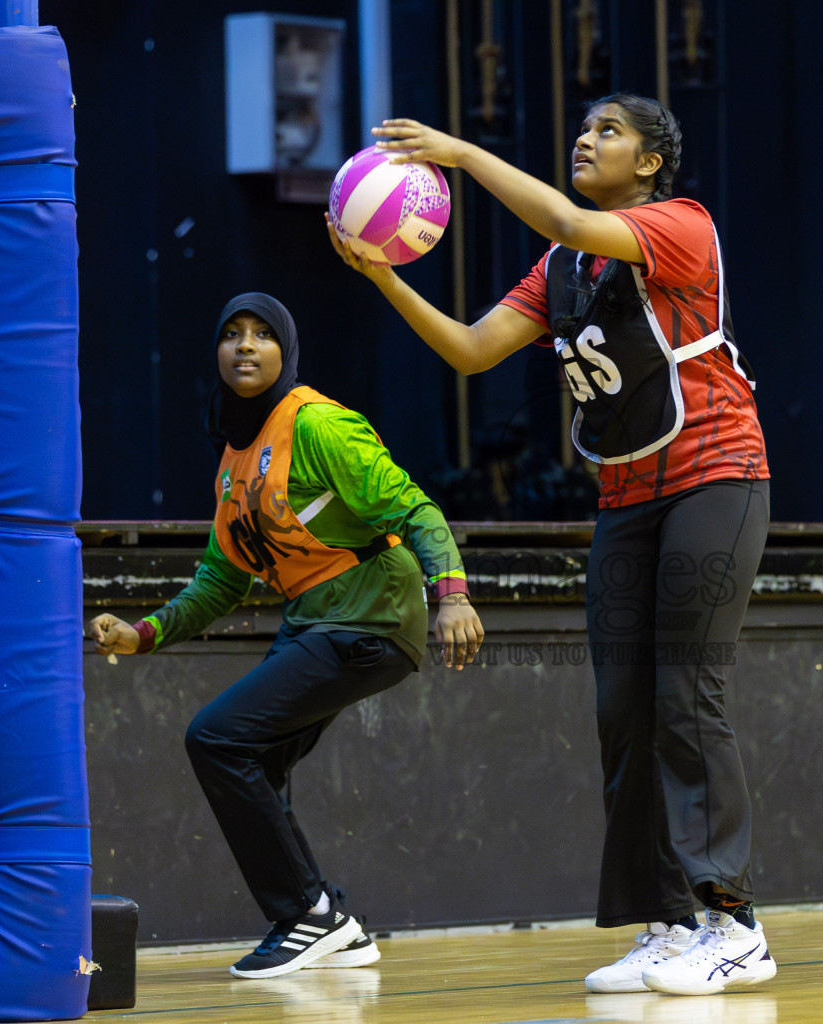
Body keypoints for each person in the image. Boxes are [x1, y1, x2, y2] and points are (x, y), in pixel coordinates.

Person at [328, 93, 774, 997]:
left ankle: (734, 921)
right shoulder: (562, 267)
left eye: (609, 131)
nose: (585, 137)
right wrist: (381, 274)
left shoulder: (680, 226)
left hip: (718, 477)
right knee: (624, 711)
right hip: (627, 496)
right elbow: (469, 349)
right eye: (582, 126)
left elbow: (568, 212)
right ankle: (668, 921)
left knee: (689, 692)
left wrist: (459, 152)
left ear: (650, 164)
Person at [86, 292, 484, 979]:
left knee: (215, 737)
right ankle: (329, 926)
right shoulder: (234, 464)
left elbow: (414, 506)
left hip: (370, 614)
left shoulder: (318, 423)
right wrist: (141, 634)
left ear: (285, 351)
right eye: (232, 333)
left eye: (263, 334)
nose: (245, 345)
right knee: (255, 760)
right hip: (318, 621)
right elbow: (221, 582)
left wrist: (452, 593)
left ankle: (310, 916)